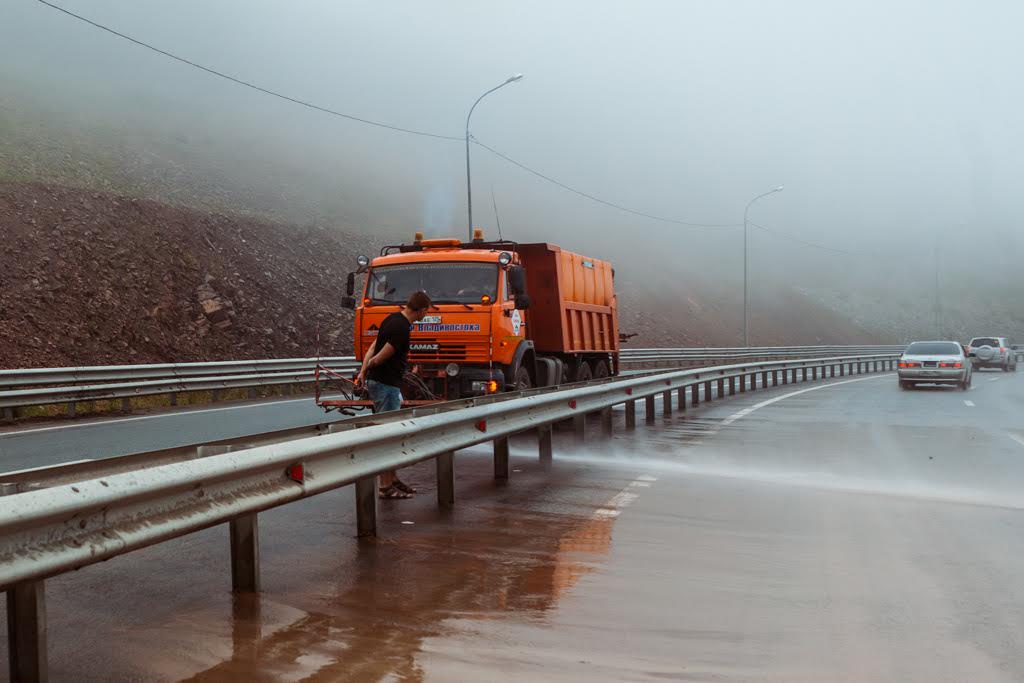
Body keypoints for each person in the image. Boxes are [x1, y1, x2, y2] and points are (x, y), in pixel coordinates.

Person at [357, 290, 432, 499]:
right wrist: (371, 367)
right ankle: (385, 486)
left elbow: (373, 346)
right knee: (388, 435)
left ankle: (393, 479)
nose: (426, 315)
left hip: (385, 383)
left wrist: (364, 371)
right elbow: (383, 354)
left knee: (392, 433)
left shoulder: (391, 319)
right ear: (422, 309)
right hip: (386, 384)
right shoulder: (401, 328)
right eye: (427, 311)